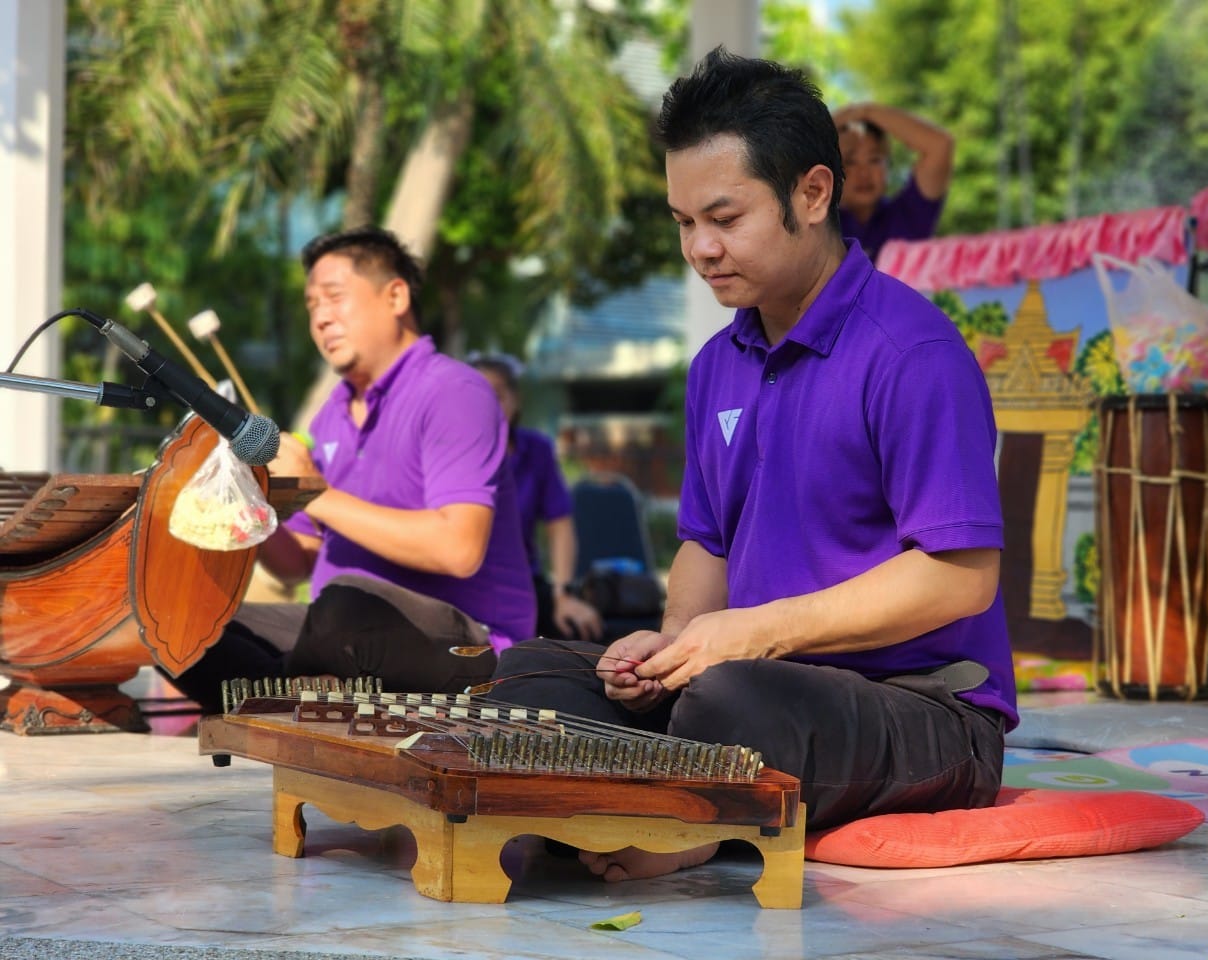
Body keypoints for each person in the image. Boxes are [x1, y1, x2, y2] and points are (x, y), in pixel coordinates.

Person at [488, 47, 1016, 883]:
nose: (701, 248)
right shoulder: (716, 366)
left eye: (725, 218)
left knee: (730, 701)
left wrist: (757, 633)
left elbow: (961, 579)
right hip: (755, 678)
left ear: (813, 193)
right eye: (683, 222)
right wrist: (669, 650)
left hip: (924, 708)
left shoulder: (911, 352)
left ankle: (675, 816)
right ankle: (660, 803)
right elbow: (708, 544)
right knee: (529, 673)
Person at [166, 227, 536, 712]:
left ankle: (293, 695)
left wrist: (316, 493)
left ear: (395, 296)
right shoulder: (331, 416)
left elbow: (458, 549)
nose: (321, 317)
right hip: (342, 634)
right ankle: (299, 697)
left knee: (345, 604)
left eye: (335, 297)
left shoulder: (454, 391)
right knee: (174, 624)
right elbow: (298, 562)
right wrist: (246, 497)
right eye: (311, 304)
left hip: (464, 642)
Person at [468, 352, 604, 643]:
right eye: (475, 397)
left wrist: (563, 594)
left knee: (578, 632)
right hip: (464, 583)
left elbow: (560, 525)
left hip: (522, 582)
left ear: (515, 400)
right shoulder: (450, 453)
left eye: (496, 396)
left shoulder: (536, 450)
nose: (486, 406)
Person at [830, 100, 954, 263]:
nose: (864, 173)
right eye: (850, 162)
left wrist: (864, 111)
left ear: (888, 165)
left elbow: (940, 145)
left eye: (874, 160)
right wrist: (830, 126)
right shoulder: (818, 225)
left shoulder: (909, 214)